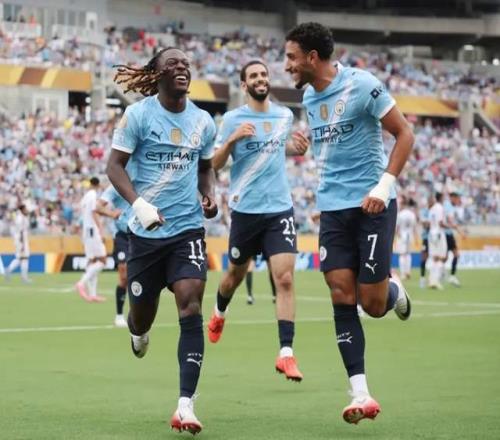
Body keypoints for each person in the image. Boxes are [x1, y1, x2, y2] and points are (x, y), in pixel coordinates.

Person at [285, 22, 414, 424]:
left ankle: (392, 289)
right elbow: (332, 145)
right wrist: (305, 144)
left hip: (372, 205)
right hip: (332, 209)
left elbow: (405, 134)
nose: (286, 65)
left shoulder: (363, 85)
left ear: (312, 57)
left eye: (291, 57)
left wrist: (384, 186)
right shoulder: (309, 96)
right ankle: (360, 393)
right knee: (340, 292)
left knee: (372, 306)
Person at [107, 47, 218, 434]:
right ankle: (138, 333)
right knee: (142, 316)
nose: (182, 68)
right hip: (145, 236)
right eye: (173, 63)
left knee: (190, 304)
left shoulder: (203, 121)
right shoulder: (138, 115)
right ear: (156, 74)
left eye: (186, 63)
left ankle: (186, 405)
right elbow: (114, 166)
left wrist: (208, 194)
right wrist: (138, 205)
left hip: (187, 230)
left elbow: (206, 168)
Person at [206, 60, 309, 382]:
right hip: (246, 212)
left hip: (279, 209)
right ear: (244, 84)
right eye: (253, 76)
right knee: (234, 276)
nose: (260, 79)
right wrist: (232, 140)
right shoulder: (232, 120)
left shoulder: (284, 115)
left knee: (285, 279)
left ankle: (286, 354)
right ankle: (219, 313)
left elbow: (276, 149)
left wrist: (296, 148)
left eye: (263, 74)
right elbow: (214, 165)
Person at [96, 183, 132, 327]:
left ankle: (138, 314)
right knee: (124, 275)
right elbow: (98, 207)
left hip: (141, 235)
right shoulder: (115, 187)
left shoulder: (142, 182)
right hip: (122, 235)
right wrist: (112, 214)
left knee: (141, 277)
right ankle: (119, 315)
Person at [75, 177, 107, 302]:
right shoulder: (93, 195)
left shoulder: (86, 196)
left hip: (86, 230)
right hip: (92, 230)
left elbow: (83, 214)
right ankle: (81, 282)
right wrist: (101, 229)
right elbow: (94, 212)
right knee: (103, 260)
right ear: (98, 185)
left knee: (93, 261)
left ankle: (93, 294)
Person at [5, 204, 32, 283]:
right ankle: (24, 278)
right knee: (24, 258)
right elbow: (20, 231)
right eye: (25, 209)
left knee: (20, 258)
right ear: (22, 210)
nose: (27, 210)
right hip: (21, 241)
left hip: (21, 240)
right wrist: (22, 243)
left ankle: (9, 270)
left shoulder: (21, 217)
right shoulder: (21, 218)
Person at [428, 192, 448, 290]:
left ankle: (431, 280)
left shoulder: (431, 208)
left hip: (431, 233)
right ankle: (436, 281)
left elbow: (429, 223)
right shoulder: (440, 207)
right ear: (441, 198)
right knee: (441, 258)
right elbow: (440, 223)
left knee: (434, 258)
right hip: (439, 233)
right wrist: (450, 226)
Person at [444, 192, 465, 287]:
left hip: (448, 234)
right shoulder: (448, 206)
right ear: (452, 198)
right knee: (451, 255)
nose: (458, 200)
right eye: (457, 198)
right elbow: (450, 221)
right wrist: (461, 232)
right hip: (446, 234)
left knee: (447, 256)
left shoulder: (448, 205)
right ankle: (449, 276)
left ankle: (445, 275)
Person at [396, 198, 418, 280]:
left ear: (403, 204)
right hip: (410, 235)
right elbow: (414, 227)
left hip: (402, 235)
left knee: (402, 254)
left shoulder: (400, 214)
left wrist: (397, 235)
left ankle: (403, 274)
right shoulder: (412, 214)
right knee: (408, 254)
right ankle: (408, 271)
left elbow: (397, 228)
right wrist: (416, 238)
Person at [418, 196, 432, 288]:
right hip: (426, 238)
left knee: (436, 257)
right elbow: (425, 224)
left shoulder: (435, 211)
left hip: (435, 238)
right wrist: (431, 223)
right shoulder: (424, 211)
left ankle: (433, 278)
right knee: (424, 257)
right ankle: (422, 278)